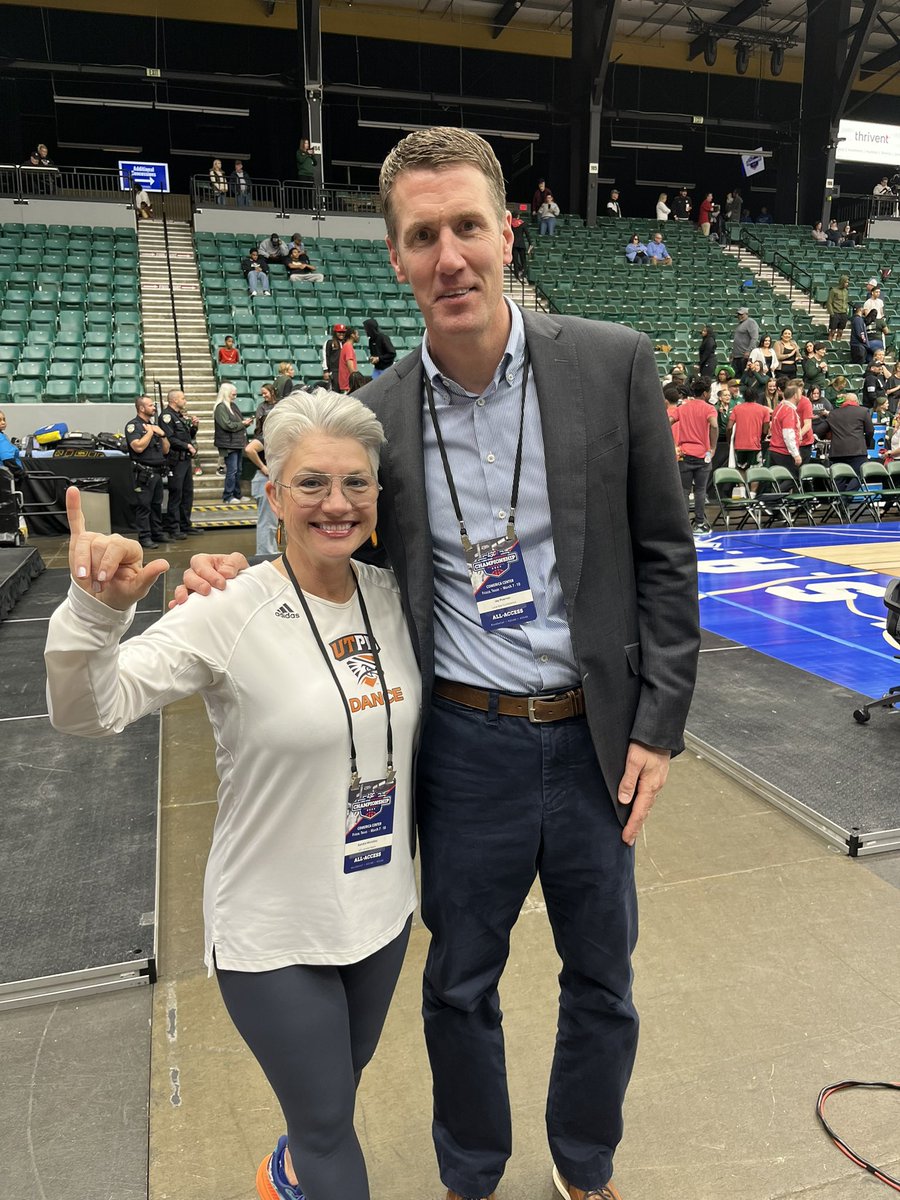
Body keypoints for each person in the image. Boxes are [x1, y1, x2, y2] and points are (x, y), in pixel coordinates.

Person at [172, 125, 700, 1200]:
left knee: (604, 976)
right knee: (459, 983)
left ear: (506, 232)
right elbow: (317, 550)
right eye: (424, 236)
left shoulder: (612, 362)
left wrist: (658, 725)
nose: (449, 254)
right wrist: (223, 578)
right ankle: (472, 1171)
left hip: (599, 741)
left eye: (467, 225)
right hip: (462, 746)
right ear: (397, 256)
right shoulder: (372, 419)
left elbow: (664, 555)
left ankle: (586, 1165)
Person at [45, 390, 420, 1200]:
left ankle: (286, 1167)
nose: (336, 503)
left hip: (380, 909)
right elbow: (89, 714)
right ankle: (299, 1170)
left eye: (355, 484)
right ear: (273, 493)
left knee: (334, 1087)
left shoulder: (395, 601)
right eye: (311, 483)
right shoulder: (227, 608)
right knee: (327, 1126)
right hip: (273, 928)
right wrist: (92, 614)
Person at [126, 395, 169, 550]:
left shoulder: (153, 426)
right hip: (143, 473)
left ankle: (157, 532)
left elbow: (166, 450)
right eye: (151, 405)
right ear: (142, 408)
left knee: (156, 505)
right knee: (144, 506)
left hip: (157, 472)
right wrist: (150, 433)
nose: (154, 408)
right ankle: (144, 536)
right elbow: (137, 447)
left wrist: (162, 434)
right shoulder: (134, 426)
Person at [676, 376, 717, 532]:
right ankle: (699, 523)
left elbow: (668, 421)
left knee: (684, 491)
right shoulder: (709, 408)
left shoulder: (683, 407)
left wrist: (674, 445)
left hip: (684, 454)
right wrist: (712, 447)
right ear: (705, 393)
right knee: (700, 490)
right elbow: (714, 425)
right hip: (702, 455)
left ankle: (684, 526)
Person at [243, 381, 280, 555]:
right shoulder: (266, 435)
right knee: (267, 522)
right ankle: (266, 556)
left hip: (266, 481)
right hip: (264, 480)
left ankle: (269, 553)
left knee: (270, 522)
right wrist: (264, 467)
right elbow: (249, 449)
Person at [160, 389, 199, 540]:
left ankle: (185, 524)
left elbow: (188, 436)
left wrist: (194, 426)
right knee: (176, 493)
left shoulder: (179, 416)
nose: (185, 401)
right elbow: (169, 438)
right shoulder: (166, 417)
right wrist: (187, 446)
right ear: (174, 400)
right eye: (183, 398)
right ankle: (174, 527)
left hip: (185, 460)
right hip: (175, 460)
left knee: (187, 493)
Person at [823, 393, 875, 487]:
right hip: (857, 451)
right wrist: (866, 443)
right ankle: (845, 499)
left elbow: (822, 430)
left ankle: (841, 500)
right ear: (856, 401)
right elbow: (870, 431)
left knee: (839, 479)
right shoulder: (863, 411)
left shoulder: (833, 413)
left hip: (837, 452)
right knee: (860, 476)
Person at [213, 382, 252, 504]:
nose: (235, 395)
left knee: (238, 470)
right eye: (233, 393)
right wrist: (242, 424)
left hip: (237, 442)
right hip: (228, 444)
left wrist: (244, 423)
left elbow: (236, 422)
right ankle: (228, 496)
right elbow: (227, 425)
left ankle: (237, 494)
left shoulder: (232, 406)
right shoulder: (221, 407)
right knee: (232, 471)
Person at [728, 389, 771, 479]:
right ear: (756, 397)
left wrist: (729, 441)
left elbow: (729, 427)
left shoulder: (737, 408)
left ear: (744, 397)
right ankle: (752, 493)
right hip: (755, 445)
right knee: (756, 470)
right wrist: (761, 439)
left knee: (741, 468)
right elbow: (765, 430)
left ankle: (743, 491)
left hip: (739, 445)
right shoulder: (764, 410)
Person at [767, 382, 802, 478]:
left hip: (774, 450)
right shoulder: (788, 411)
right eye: (800, 393)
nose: (801, 396)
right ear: (795, 396)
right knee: (793, 480)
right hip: (783, 452)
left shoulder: (779, 407)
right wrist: (796, 454)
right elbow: (788, 433)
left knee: (776, 480)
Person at [731, 306, 759, 376]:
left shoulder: (750, 322)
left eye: (741, 314)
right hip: (737, 356)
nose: (739, 316)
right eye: (738, 314)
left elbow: (754, 338)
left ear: (747, 314)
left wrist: (748, 350)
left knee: (745, 376)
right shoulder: (741, 324)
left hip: (744, 356)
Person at [323, 324, 347, 389]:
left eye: (343, 332)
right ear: (335, 333)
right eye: (339, 332)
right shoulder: (329, 343)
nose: (341, 334)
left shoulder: (346, 343)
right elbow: (325, 356)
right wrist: (326, 371)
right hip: (334, 371)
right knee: (335, 390)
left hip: (345, 371)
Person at [826, 275, 850, 341]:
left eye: (847, 282)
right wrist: (832, 313)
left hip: (843, 313)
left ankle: (838, 345)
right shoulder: (833, 290)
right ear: (842, 282)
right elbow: (829, 302)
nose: (847, 284)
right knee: (832, 332)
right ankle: (829, 345)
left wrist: (846, 310)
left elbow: (846, 302)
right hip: (835, 313)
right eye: (846, 282)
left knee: (840, 332)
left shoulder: (846, 291)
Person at [509, 213, 532, 280]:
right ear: (518, 216)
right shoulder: (522, 223)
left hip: (514, 244)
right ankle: (523, 274)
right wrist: (530, 243)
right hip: (521, 244)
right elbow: (527, 234)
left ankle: (516, 276)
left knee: (515, 261)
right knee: (523, 260)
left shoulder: (510, 224)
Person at [338, 328, 359, 394]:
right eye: (357, 334)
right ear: (352, 335)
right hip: (348, 385)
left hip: (347, 385)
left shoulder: (346, 346)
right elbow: (351, 367)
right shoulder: (348, 347)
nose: (358, 336)